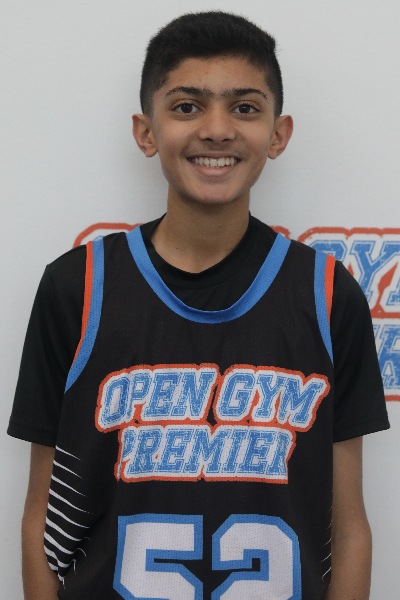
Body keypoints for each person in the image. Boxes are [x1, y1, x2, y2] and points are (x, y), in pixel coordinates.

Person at [8, 11, 389, 600]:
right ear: (146, 132)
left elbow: (349, 526)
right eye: (187, 106)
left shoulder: (327, 293)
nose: (216, 130)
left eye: (245, 107)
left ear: (279, 133)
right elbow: (43, 516)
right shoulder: (76, 287)